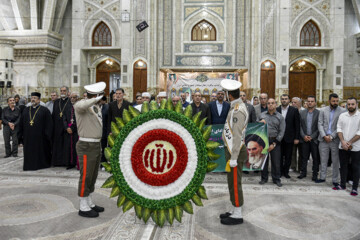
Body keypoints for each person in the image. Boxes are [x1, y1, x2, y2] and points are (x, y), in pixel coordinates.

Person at [74, 82, 105, 218]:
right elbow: (80, 105)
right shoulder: (82, 105)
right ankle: (83, 206)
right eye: (100, 95)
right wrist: (93, 99)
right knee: (85, 175)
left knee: (92, 176)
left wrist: (96, 101)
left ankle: (89, 202)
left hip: (96, 145)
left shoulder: (95, 107)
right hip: (86, 145)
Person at [219, 79, 248, 225]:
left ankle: (238, 214)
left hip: (235, 152)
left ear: (228, 95)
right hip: (232, 150)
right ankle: (234, 208)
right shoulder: (235, 106)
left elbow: (237, 135)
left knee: (236, 182)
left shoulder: (238, 110)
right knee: (231, 181)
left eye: (225, 93)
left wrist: (234, 156)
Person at [317, 93, 346, 186]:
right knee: (323, 160)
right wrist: (324, 135)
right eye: (333, 101)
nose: (335, 103)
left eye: (337, 101)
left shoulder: (342, 111)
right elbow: (320, 123)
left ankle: (335, 180)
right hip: (323, 139)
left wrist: (332, 136)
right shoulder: (322, 110)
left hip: (335, 139)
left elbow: (340, 126)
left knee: (335, 161)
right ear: (329, 101)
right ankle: (322, 177)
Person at [21, 92, 53, 170]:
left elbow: (49, 124)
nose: (33, 100)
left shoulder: (44, 110)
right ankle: (29, 165)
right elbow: (21, 123)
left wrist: (47, 135)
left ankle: (41, 164)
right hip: (28, 136)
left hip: (41, 136)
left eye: (35, 98)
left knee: (40, 151)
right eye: (32, 98)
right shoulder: (26, 110)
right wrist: (21, 136)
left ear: (39, 100)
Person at [336, 97, 360, 195]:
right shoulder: (342, 115)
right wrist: (342, 141)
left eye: (352, 104)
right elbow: (339, 128)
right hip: (342, 145)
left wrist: (349, 143)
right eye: (348, 104)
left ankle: (354, 188)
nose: (350, 106)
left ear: (356, 105)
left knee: (356, 167)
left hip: (356, 146)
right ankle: (342, 185)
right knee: (343, 166)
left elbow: (359, 132)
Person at [259, 98, 285, 187]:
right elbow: (256, 128)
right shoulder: (262, 115)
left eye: (272, 103)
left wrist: (274, 144)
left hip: (275, 141)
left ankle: (276, 179)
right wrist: (259, 123)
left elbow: (282, 132)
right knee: (264, 161)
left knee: (276, 162)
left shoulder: (280, 117)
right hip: (264, 140)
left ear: (276, 105)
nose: (270, 105)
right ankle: (264, 178)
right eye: (268, 103)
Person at [276, 94, 300, 178]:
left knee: (288, 156)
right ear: (280, 100)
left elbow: (297, 125)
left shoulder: (294, 110)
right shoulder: (277, 110)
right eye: (282, 99)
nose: (284, 100)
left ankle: (286, 172)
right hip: (279, 138)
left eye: (286, 99)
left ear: (289, 100)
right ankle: (279, 171)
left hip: (289, 137)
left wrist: (297, 137)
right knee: (279, 156)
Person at [298, 96, 320, 181]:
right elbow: (299, 126)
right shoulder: (302, 112)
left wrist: (312, 136)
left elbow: (319, 127)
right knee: (304, 157)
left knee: (315, 158)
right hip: (304, 139)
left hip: (314, 140)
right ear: (306, 102)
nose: (310, 103)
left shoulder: (319, 113)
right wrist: (304, 136)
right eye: (308, 101)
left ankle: (315, 174)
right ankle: (303, 173)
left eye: (312, 101)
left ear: (315, 103)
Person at [52, 86, 73, 167]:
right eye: (61, 91)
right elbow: (54, 115)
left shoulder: (70, 102)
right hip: (57, 127)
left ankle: (66, 162)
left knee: (66, 145)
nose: (62, 92)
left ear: (67, 92)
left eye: (64, 91)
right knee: (58, 144)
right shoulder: (57, 102)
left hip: (67, 127)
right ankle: (57, 162)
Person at [64, 92, 80, 169]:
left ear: (77, 98)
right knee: (68, 147)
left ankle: (76, 163)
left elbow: (80, 119)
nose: (72, 99)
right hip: (68, 130)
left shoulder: (79, 107)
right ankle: (69, 163)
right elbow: (64, 118)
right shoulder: (67, 106)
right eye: (71, 97)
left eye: (74, 97)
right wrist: (66, 127)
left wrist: (72, 128)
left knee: (75, 147)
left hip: (76, 130)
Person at [100, 96, 109, 166]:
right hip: (97, 131)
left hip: (104, 131)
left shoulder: (107, 107)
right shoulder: (96, 107)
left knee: (104, 147)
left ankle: (103, 162)